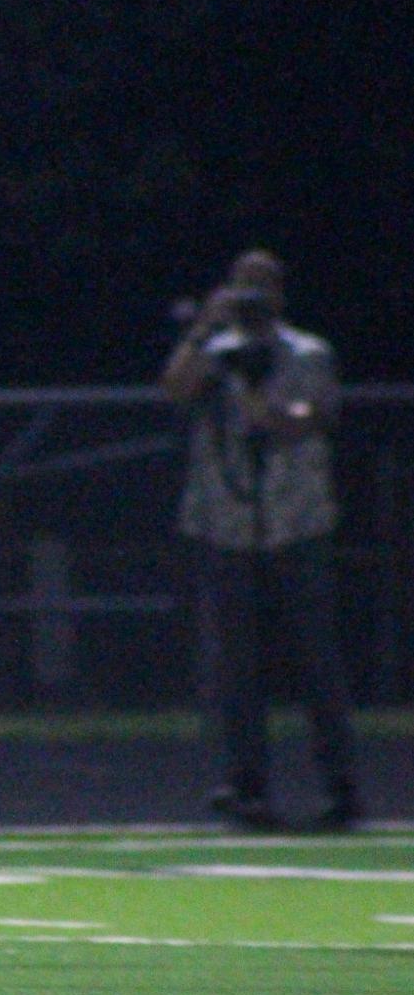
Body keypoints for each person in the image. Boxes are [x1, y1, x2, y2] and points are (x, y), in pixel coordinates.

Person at [161, 248, 359, 832]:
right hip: (228, 526)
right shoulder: (214, 352)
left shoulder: (307, 353)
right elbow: (174, 387)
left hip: (295, 524)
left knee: (315, 660)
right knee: (235, 669)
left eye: (261, 290)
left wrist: (254, 393)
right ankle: (245, 786)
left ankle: (339, 785)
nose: (252, 300)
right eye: (242, 288)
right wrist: (205, 331)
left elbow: (302, 418)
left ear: (280, 295)